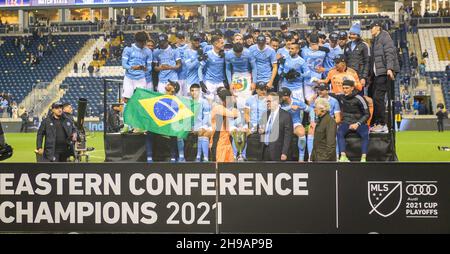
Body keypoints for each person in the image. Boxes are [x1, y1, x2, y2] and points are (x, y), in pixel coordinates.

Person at [369, 20, 400, 133]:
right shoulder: (375, 40)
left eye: (371, 27)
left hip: (384, 73)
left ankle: (383, 124)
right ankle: (378, 123)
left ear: (378, 27)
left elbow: (389, 53)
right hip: (378, 74)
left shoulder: (385, 37)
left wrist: (389, 69)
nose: (370, 29)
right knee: (375, 98)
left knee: (378, 98)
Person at [336, 80, 370, 162]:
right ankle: (343, 156)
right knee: (339, 133)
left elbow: (367, 114)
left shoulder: (360, 98)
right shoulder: (341, 96)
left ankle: (363, 158)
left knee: (365, 134)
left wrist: (357, 123)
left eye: (347, 88)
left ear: (352, 88)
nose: (345, 90)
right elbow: (329, 94)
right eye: (343, 88)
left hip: (359, 123)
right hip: (346, 122)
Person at [279, 87, 315, 162]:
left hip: (295, 123)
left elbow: (311, 110)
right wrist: (290, 107)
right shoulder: (279, 103)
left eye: (281, 95)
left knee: (302, 133)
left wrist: (312, 121)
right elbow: (275, 110)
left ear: (287, 96)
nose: (279, 97)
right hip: (282, 124)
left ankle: (301, 159)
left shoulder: (297, 102)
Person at [259, 92, 293, 161]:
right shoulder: (265, 114)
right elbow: (260, 128)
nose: (267, 103)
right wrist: (260, 130)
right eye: (266, 101)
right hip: (265, 150)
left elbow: (288, 136)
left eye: (269, 101)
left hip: (278, 152)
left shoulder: (286, 116)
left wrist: (284, 152)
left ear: (276, 101)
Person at [122, 31, 153, 103]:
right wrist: (133, 67)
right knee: (127, 100)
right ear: (136, 41)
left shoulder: (148, 51)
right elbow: (124, 65)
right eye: (141, 42)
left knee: (141, 100)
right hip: (129, 78)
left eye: (144, 42)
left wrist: (145, 69)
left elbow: (149, 68)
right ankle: (126, 114)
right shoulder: (128, 49)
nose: (143, 44)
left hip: (141, 78)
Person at [210, 88, 239, 162]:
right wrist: (234, 103)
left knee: (228, 168)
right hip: (218, 144)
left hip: (227, 142)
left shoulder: (223, 108)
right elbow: (234, 114)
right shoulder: (217, 108)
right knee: (218, 169)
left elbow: (232, 119)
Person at [344, 21, 370, 95]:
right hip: (348, 75)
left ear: (358, 35)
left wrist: (364, 77)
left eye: (354, 34)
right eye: (351, 34)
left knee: (359, 97)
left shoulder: (364, 45)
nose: (352, 36)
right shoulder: (347, 45)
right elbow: (345, 61)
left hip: (359, 76)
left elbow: (367, 62)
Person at [199, 35, 226, 102]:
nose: (223, 44)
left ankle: (232, 112)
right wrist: (201, 81)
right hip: (209, 83)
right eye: (222, 43)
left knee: (227, 102)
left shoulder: (225, 54)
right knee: (209, 104)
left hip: (220, 82)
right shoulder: (208, 54)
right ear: (215, 44)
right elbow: (200, 69)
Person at [189, 84, 212, 162]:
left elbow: (206, 117)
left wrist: (200, 127)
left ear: (199, 92)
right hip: (191, 127)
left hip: (204, 125)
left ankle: (202, 157)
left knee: (201, 131)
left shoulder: (204, 102)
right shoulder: (188, 102)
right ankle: (180, 156)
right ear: (190, 92)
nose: (194, 93)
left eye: (196, 91)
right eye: (192, 90)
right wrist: (190, 127)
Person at [175, 31, 189, 96]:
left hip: (187, 77)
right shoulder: (173, 48)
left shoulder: (189, 47)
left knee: (188, 98)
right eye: (180, 38)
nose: (182, 39)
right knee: (178, 98)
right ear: (176, 38)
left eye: (183, 37)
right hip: (177, 77)